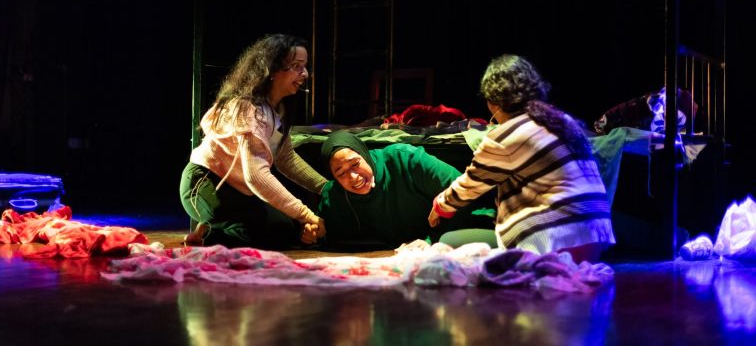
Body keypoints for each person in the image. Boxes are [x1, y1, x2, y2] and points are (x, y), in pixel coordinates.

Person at [428, 54, 615, 263]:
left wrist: (440, 205)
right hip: (596, 239)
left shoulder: (506, 136)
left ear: (494, 104)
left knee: (449, 241)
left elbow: (472, 184)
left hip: (555, 242)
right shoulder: (564, 122)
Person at [180, 33, 327, 249]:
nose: (304, 73)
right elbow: (255, 176)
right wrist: (307, 215)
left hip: (236, 191)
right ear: (271, 70)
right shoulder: (247, 109)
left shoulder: (277, 110)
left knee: (285, 229)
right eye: (296, 66)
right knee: (270, 234)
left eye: (304, 67)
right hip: (204, 185)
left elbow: (286, 159)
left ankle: (215, 228)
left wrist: (326, 187)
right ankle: (208, 234)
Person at [311, 130, 495, 251]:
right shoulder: (336, 194)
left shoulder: (406, 159)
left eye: (355, 164)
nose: (353, 177)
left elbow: (464, 193)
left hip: (466, 227)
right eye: (341, 173)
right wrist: (314, 232)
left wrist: (431, 241)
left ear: (364, 154)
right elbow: (324, 229)